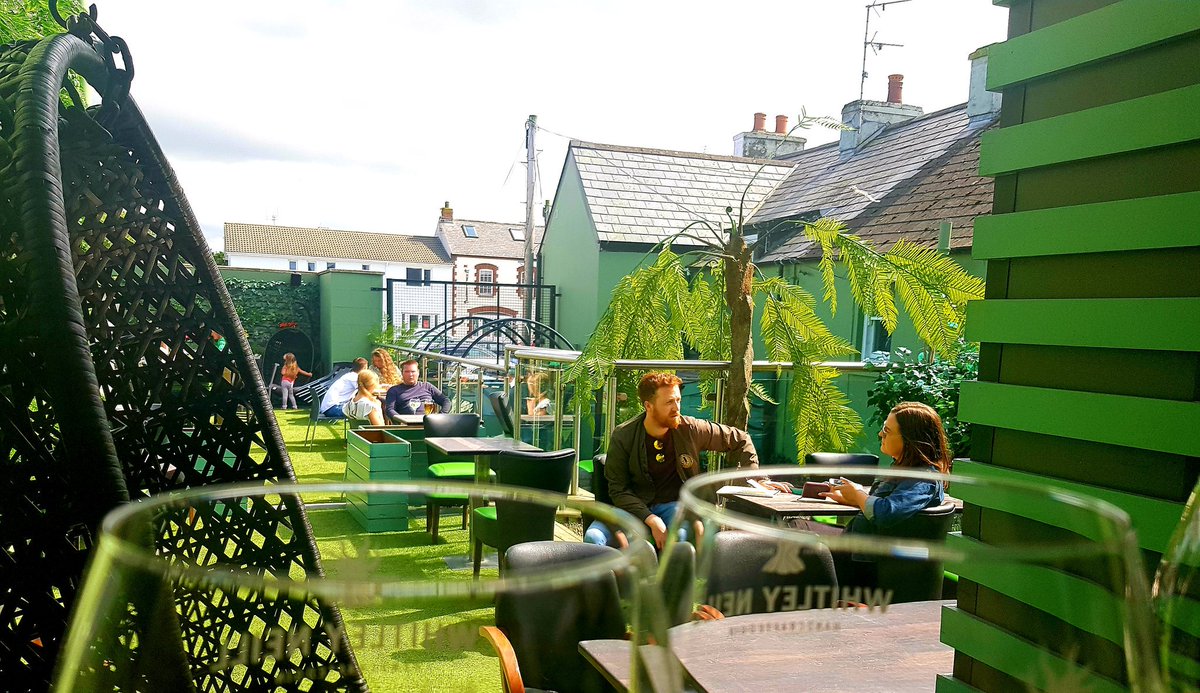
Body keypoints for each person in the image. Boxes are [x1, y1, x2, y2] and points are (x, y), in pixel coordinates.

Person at [588, 372, 786, 550]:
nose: (676, 408)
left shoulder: (690, 429)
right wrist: (651, 519)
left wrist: (756, 479)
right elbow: (618, 490)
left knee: (680, 537)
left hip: (676, 508)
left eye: (678, 400)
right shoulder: (623, 435)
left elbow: (741, 439)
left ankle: (670, 577)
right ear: (648, 406)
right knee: (593, 537)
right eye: (669, 402)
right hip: (634, 509)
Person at [817, 400, 950, 534]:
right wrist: (854, 499)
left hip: (865, 546)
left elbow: (887, 513)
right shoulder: (910, 474)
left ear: (910, 440)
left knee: (803, 531)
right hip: (856, 539)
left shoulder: (923, 480)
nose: (880, 434)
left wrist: (858, 494)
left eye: (887, 431)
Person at [384, 359, 450, 421]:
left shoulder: (427, 386)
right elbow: (390, 409)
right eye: (407, 372)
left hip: (429, 423)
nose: (410, 375)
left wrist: (440, 416)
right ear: (402, 373)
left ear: (418, 373)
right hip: (407, 424)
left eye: (413, 371)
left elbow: (446, 401)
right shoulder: (394, 390)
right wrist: (401, 420)